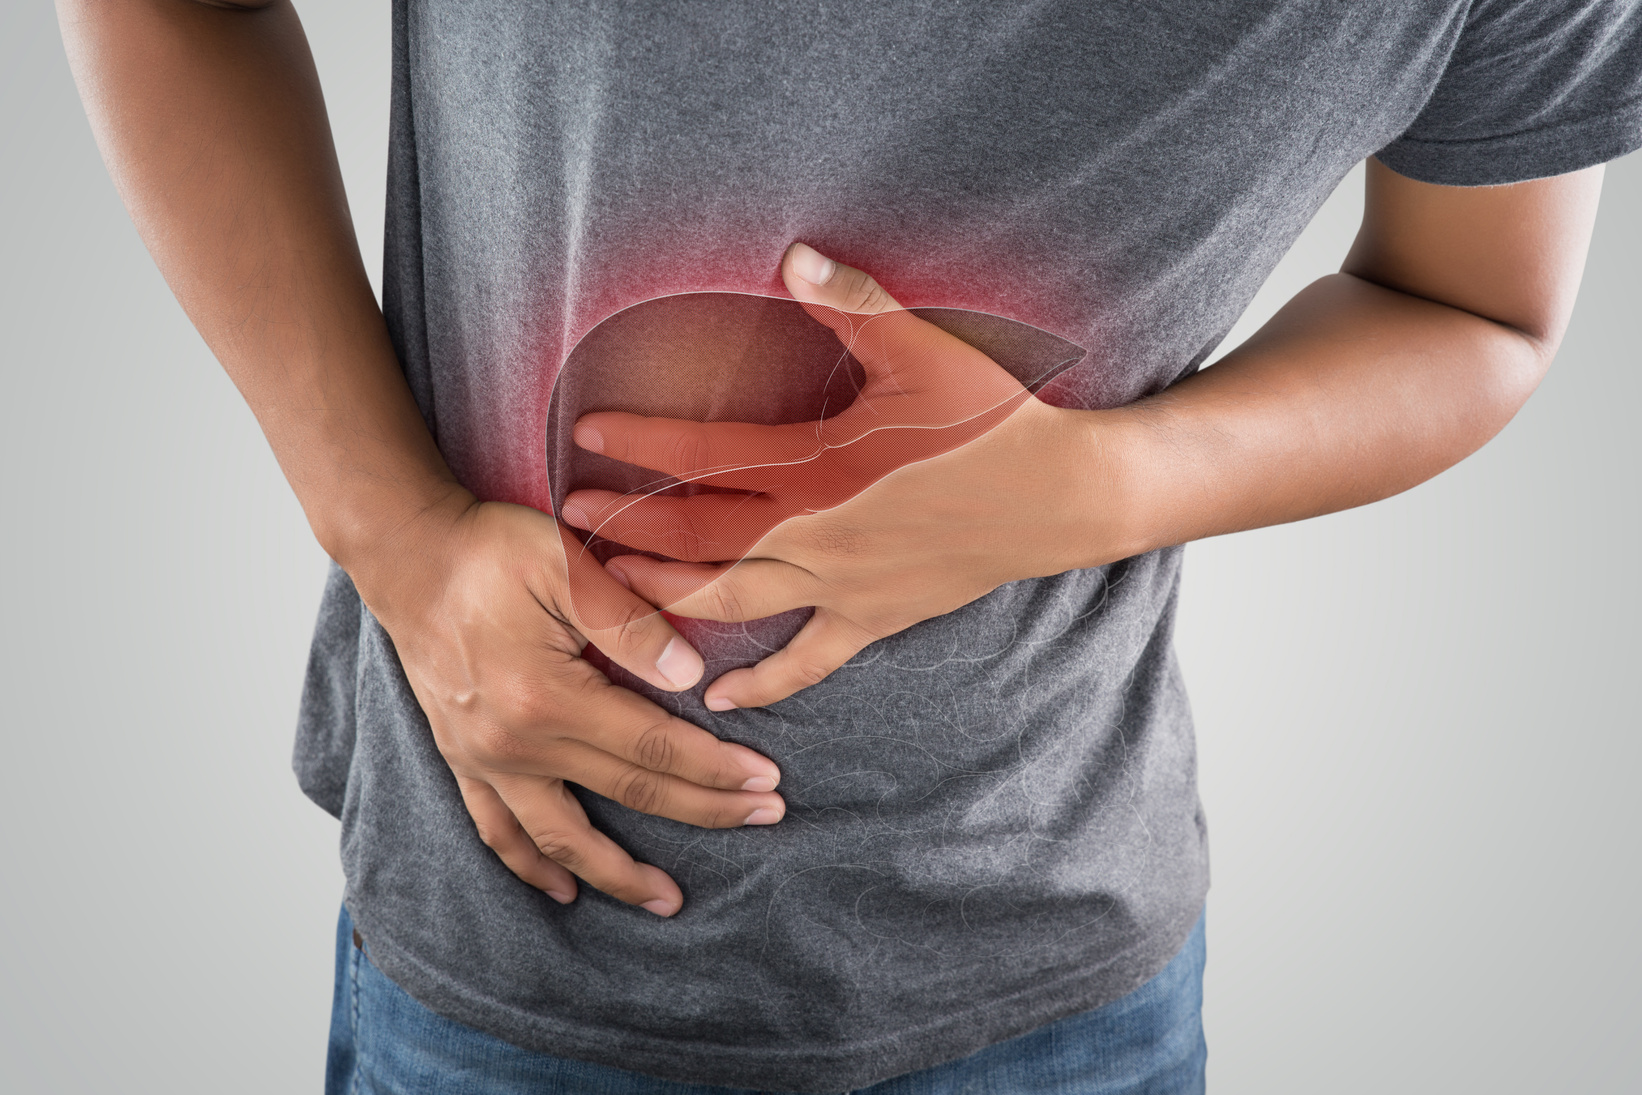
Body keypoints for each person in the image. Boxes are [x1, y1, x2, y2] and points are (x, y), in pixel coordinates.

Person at [57, 0, 1641, 1092]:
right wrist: (393, 534)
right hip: (518, 951)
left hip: (1053, 963)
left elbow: (1473, 307)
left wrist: (1096, 487)